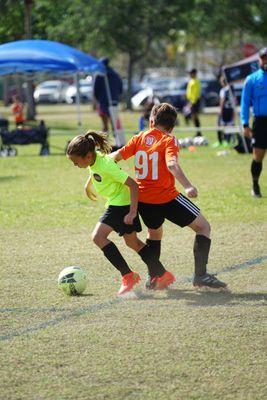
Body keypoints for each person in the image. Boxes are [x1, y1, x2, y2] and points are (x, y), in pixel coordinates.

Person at [111, 103, 227, 290]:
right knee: (203, 227)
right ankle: (201, 276)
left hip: (143, 200)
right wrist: (188, 186)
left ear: (152, 121)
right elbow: (172, 164)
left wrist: (97, 166)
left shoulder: (138, 138)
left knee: (154, 232)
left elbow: (115, 157)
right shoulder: (169, 140)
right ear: (172, 126)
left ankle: (154, 276)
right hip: (166, 198)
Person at [66, 131, 174, 297]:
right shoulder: (96, 159)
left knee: (98, 237)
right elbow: (95, 170)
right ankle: (162, 273)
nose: (75, 165)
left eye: (75, 162)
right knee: (133, 243)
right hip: (118, 203)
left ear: (87, 156)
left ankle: (127, 275)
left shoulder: (105, 165)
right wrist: (88, 185)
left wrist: (132, 212)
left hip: (121, 205)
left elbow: (133, 185)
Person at [241, 47, 267, 198]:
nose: (266, 61)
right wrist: (245, 123)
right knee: (258, 155)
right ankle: (255, 185)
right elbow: (245, 103)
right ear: (259, 60)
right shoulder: (252, 79)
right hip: (260, 122)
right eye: (263, 58)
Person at [93, 58, 123, 133]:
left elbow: (96, 89)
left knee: (105, 125)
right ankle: (117, 140)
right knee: (114, 123)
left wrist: (98, 99)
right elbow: (120, 89)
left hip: (103, 102)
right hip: (114, 101)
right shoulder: (116, 74)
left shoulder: (100, 75)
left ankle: (104, 141)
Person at [216, 76, 236, 146]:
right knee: (229, 125)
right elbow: (235, 101)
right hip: (230, 110)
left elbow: (222, 100)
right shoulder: (231, 90)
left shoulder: (223, 90)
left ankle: (220, 141)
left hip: (224, 110)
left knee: (219, 125)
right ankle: (227, 141)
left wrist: (220, 110)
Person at [186, 69, 202, 136]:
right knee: (194, 117)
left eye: (191, 73)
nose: (190, 75)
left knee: (194, 116)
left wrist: (192, 103)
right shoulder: (191, 81)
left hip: (194, 101)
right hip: (191, 101)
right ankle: (198, 132)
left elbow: (195, 93)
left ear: (194, 74)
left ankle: (198, 132)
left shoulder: (196, 82)